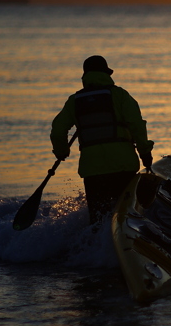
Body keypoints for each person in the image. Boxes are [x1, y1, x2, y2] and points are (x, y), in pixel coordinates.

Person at [51, 56, 154, 223]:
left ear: (85, 76)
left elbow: (58, 130)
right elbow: (137, 125)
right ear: (106, 73)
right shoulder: (120, 95)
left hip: (93, 171)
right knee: (127, 216)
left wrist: (61, 151)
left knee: (99, 220)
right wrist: (145, 154)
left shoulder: (74, 101)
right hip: (123, 167)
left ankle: (96, 246)